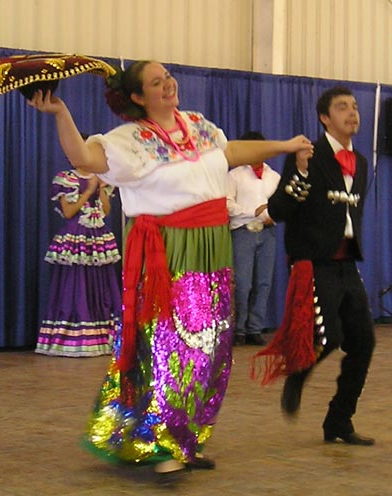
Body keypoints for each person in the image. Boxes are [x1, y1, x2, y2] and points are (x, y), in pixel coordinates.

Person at [28, 60, 313, 476]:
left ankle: (184, 437)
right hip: (168, 254)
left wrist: (285, 146)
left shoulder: (197, 125)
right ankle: (162, 445)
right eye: (156, 82)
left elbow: (231, 151)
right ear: (138, 97)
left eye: (168, 78)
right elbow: (83, 158)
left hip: (213, 249)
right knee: (175, 348)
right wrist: (62, 114)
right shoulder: (128, 140)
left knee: (211, 350)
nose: (168, 85)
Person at [254, 86, 375, 446]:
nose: (352, 113)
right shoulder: (308, 154)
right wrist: (302, 173)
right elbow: (278, 211)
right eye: (342, 108)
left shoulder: (363, 163)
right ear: (325, 118)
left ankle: (339, 419)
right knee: (330, 337)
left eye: (354, 107)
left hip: (346, 262)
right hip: (312, 261)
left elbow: (350, 212)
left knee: (364, 342)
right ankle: (297, 373)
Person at [35, 167, 122, 357]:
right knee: (75, 285)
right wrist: (88, 191)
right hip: (76, 238)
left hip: (97, 238)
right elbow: (68, 212)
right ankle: (72, 338)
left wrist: (99, 189)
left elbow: (105, 211)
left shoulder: (102, 178)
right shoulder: (67, 179)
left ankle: (100, 338)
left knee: (98, 286)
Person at [227, 131, 280, 346]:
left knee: (264, 282)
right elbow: (227, 204)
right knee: (243, 283)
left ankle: (255, 328)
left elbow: (281, 205)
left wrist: (271, 215)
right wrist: (254, 212)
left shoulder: (274, 176)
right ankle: (239, 329)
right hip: (244, 231)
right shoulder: (235, 175)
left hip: (268, 233)